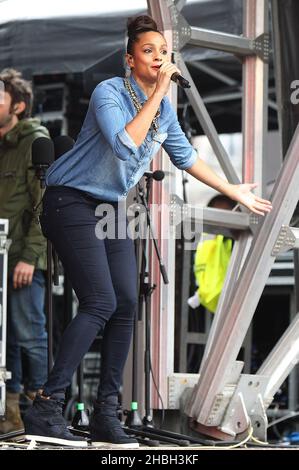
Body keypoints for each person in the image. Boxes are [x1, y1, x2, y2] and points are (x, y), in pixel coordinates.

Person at [23, 15, 272, 448]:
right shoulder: (110, 92)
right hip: (69, 199)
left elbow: (185, 157)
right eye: (149, 52)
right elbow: (124, 143)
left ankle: (106, 415)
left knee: (125, 306)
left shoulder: (165, 111)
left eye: (164, 52)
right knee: (99, 300)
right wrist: (158, 93)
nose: (159, 58)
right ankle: (46, 405)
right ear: (129, 59)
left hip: (111, 205)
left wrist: (234, 190)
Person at [0, 69, 48, 434]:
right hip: (2, 257)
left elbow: (44, 204)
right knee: (6, 337)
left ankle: (45, 410)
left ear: (17, 105)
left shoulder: (34, 140)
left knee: (29, 333)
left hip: (21, 258)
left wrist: (30, 258)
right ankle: (10, 412)